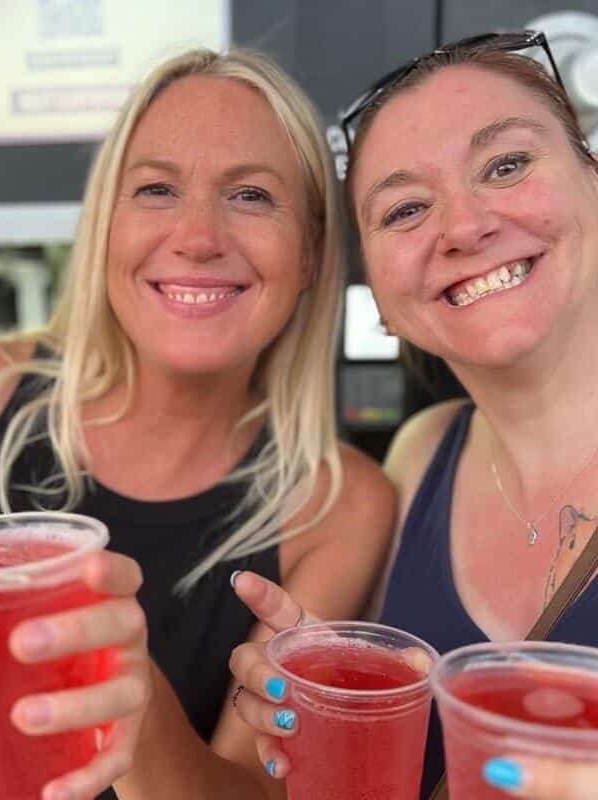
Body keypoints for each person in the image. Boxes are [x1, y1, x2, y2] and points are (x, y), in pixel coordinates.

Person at [0, 48, 395, 800]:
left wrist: (128, 690)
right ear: (104, 228)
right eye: (155, 188)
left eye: (250, 195)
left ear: (311, 250)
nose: (198, 235)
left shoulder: (338, 508)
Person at [228, 30, 598, 800]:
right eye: (404, 209)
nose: (462, 228)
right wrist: (312, 709)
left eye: (507, 165)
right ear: (383, 299)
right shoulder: (419, 456)